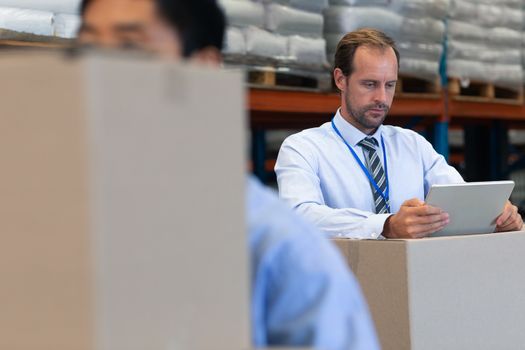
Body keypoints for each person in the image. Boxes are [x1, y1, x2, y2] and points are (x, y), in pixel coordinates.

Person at [78, 1, 380, 349]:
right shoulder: (62, 227)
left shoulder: (281, 253)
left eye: (130, 48)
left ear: (202, 67)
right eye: (87, 47)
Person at [275, 28, 523, 239]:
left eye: (390, 85)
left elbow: (461, 197)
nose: (381, 98)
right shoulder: (303, 148)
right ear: (340, 79)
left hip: (410, 279)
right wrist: (386, 225)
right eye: (370, 84)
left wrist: (496, 215)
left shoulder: (412, 144)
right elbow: (300, 215)